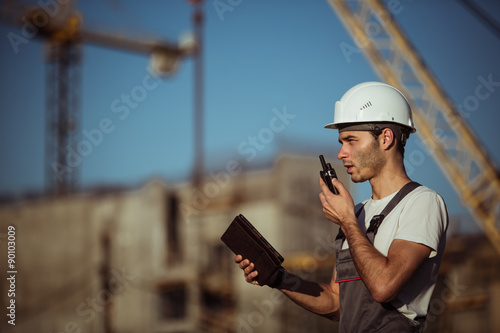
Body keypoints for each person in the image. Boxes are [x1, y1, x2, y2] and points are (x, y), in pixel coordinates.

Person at [235, 81, 449, 332]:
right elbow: (337, 303)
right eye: (341, 142)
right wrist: (277, 278)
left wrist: (347, 222)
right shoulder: (356, 212)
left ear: (386, 138)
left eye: (351, 140)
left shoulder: (422, 203)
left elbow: (384, 286)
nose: (341, 153)